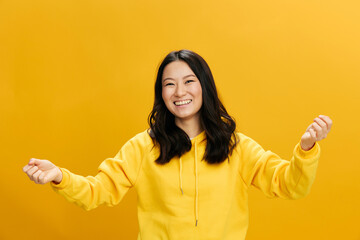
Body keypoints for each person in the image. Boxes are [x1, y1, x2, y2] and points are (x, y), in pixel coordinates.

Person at [23, 49, 333, 240]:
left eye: (188, 81)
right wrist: (59, 176)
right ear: (161, 94)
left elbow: (290, 186)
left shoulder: (236, 147)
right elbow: (97, 191)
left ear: (204, 87)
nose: (179, 91)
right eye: (169, 84)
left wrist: (305, 150)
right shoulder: (143, 147)